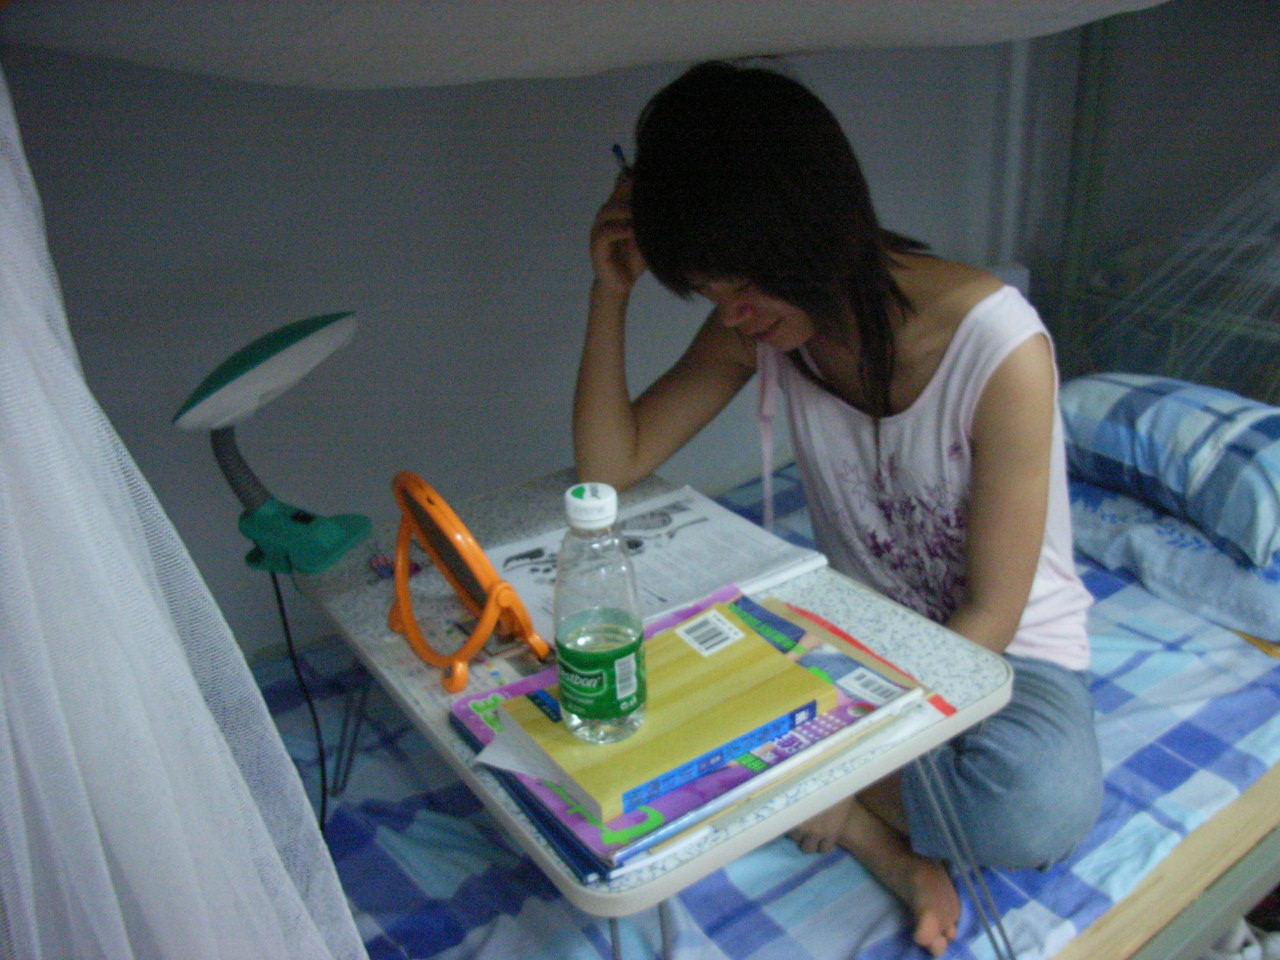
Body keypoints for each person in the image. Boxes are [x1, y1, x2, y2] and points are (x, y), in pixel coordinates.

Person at [573, 60, 1103, 957]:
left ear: (806, 232)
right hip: (849, 636)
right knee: (636, 674)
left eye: (740, 287)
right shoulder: (764, 329)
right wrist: (609, 293)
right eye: (710, 294)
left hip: (1003, 658)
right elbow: (606, 469)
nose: (732, 317)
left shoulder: (1000, 349)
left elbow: (992, 613)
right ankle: (871, 834)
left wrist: (841, 761)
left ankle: (836, 807)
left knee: (1034, 804)